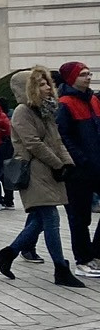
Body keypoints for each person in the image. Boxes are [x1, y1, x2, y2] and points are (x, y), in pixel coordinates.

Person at [0, 67, 84, 287]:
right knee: (51, 219)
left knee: (38, 221)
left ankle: (8, 254)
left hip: (50, 169)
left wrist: (67, 163)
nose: (47, 88)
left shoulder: (46, 110)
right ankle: (60, 269)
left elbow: (57, 139)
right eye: (41, 84)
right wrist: (57, 163)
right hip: (34, 170)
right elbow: (33, 143)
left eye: (48, 84)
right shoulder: (22, 111)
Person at [54, 62, 100, 279]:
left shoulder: (93, 100)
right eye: (82, 74)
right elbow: (62, 136)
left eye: (88, 73)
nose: (88, 77)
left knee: (82, 217)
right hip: (78, 171)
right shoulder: (64, 104)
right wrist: (80, 159)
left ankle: (95, 253)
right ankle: (82, 260)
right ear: (71, 78)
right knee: (79, 218)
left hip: (96, 166)